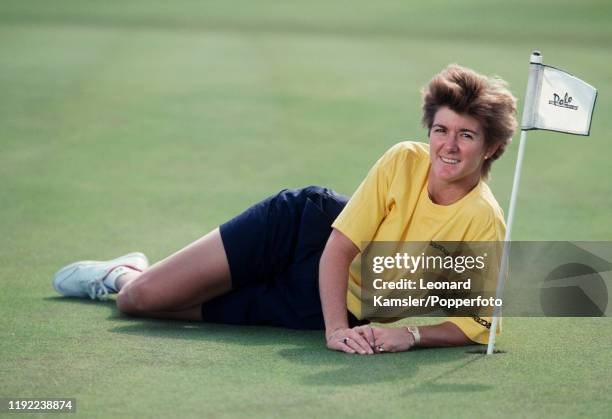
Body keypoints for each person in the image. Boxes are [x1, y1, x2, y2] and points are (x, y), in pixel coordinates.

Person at [52, 64, 517, 355]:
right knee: (138, 299)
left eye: (466, 135)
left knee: (159, 310)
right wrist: (336, 332)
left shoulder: (483, 218)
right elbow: (338, 247)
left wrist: (409, 336)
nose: (448, 146)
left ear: (491, 147)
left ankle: (139, 280)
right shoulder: (404, 158)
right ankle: (122, 274)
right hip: (300, 230)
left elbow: (480, 323)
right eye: (441, 129)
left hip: (323, 304)